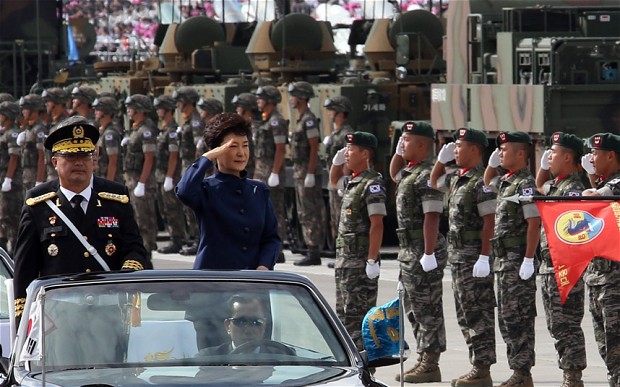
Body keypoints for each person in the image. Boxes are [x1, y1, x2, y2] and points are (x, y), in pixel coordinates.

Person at [12, 116, 148, 321]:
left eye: (85, 156)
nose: (79, 162)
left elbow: (135, 247)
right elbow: (25, 269)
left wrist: (126, 275)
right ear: (55, 162)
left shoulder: (116, 198)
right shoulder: (38, 204)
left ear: (94, 160)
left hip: (108, 310)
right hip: (59, 313)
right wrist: (23, 321)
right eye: (71, 156)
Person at [430, 128, 497, 387]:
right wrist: (440, 160)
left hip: (472, 257)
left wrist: (484, 256)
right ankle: (476, 364)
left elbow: (489, 222)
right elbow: (433, 183)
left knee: (477, 313)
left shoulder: (481, 182)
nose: (454, 150)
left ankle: (482, 368)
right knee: (464, 314)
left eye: (459, 146)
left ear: (475, 150)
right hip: (458, 256)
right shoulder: (459, 179)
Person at [176, 112, 280, 270]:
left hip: (254, 284)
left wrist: (264, 267)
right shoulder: (206, 189)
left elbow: (271, 238)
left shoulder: (258, 191)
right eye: (233, 146)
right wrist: (207, 157)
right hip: (214, 283)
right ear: (218, 151)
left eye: (245, 146)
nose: (241, 153)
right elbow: (183, 191)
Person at [390, 121, 447, 384]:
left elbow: (432, 216)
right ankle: (423, 357)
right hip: (408, 249)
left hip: (422, 247)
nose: (402, 143)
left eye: (408, 140)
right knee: (413, 307)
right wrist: (400, 151)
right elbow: (393, 174)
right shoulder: (410, 171)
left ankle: (431, 363)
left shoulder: (426, 176)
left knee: (428, 308)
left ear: (423, 145)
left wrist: (428, 252)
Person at [483, 131, 540, 387]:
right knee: (506, 318)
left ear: (521, 154)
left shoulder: (524, 184)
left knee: (518, 318)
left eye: (505, 149)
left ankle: (523, 372)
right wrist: (491, 164)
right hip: (504, 261)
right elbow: (487, 183)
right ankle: (518, 371)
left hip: (517, 261)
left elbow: (534, 222)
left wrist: (529, 259)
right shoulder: (507, 181)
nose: (501, 153)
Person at [534, 132, 587, 387]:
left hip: (565, 266)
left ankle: (573, 376)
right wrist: (544, 169)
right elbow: (540, 188)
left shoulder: (574, 189)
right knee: (556, 324)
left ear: (568, 157)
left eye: (553, 153)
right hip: (548, 265)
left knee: (567, 324)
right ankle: (568, 373)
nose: (549, 157)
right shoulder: (557, 185)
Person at [329, 131, 385, 350]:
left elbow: (377, 223)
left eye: (351, 150)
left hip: (360, 264)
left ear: (365, 153)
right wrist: (336, 162)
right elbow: (333, 180)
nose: (347, 154)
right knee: (343, 317)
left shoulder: (372, 184)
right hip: (345, 263)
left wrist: (371, 260)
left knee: (358, 320)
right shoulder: (353, 182)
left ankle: (363, 366)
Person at [580, 132, 620, 387]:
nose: (591, 158)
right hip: (599, 274)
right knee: (605, 340)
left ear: (611, 155)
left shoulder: (617, 183)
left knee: (616, 338)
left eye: (596, 153)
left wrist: (590, 183)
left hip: (615, 277)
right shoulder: (606, 181)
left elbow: (597, 196)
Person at [288, 81, 325, 266]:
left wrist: (310, 172)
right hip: (300, 171)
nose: (291, 99)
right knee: (304, 211)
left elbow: (313, 146)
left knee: (310, 211)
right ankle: (311, 249)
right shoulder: (301, 119)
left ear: (301, 98)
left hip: (306, 171)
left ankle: (313, 251)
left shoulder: (309, 119)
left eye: (294, 96)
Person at [253, 86, 288, 264]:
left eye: (261, 98)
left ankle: (278, 249)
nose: (258, 101)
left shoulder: (277, 121)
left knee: (275, 212)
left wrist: (275, 172)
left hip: (270, 174)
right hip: (261, 173)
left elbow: (280, 149)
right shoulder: (266, 121)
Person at [123, 94, 157, 268]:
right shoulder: (135, 129)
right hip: (132, 181)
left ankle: (147, 255)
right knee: (136, 220)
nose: (128, 110)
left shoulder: (146, 130)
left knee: (145, 221)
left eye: (131, 106)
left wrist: (142, 183)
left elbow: (149, 159)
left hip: (141, 181)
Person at [175, 88, 208, 256]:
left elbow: (199, 147)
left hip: (192, 167)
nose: (178, 104)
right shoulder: (188, 120)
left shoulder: (195, 121)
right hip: (187, 166)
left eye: (180, 100)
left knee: (193, 206)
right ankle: (194, 238)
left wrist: (196, 170)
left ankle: (199, 240)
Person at [153, 95, 186, 254]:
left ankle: (177, 239)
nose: (158, 111)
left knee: (172, 209)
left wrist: (169, 177)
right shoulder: (164, 128)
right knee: (164, 209)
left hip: (169, 175)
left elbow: (174, 156)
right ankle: (174, 237)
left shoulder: (172, 130)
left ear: (167, 110)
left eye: (160, 108)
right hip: (160, 174)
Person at [323, 96, 354, 265]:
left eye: (331, 109)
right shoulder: (336, 133)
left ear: (340, 112)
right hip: (333, 182)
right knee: (335, 220)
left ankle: (345, 256)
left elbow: (348, 158)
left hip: (340, 182)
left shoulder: (346, 133)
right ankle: (340, 255)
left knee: (343, 221)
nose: (329, 113)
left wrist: (344, 180)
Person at [0, 101, 24, 252]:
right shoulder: (4, 132)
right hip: (3, 178)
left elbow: (13, 157)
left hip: (12, 182)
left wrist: (8, 179)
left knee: (11, 219)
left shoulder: (12, 133)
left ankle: (13, 253)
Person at [18, 94, 47, 191]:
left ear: (34, 110)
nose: (23, 112)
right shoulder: (28, 129)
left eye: (26, 109)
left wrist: (39, 180)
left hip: (35, 176)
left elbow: (42, 156)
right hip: (27, 177)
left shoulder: (39, 129)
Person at [93, 96, 123, 183]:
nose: (95, 112)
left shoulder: (110, 134)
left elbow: (113, 162)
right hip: (100, 177)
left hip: (109, 178)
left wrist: (109, 185)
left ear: (106, 112)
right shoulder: (101, 131)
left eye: (98, 109)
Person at [42, 87, 70, 181]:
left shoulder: (65, 125)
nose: (46, 104)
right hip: (51, 172)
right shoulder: (52, 124)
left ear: (57, 103)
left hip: (61, 174)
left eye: (48, 101)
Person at [231, 92, 259, 178]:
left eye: (239, 108)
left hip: (251, 171)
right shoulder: (242, 127)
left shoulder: (255, 127)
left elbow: (258, 153)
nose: (237, 110)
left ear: (246, 109)